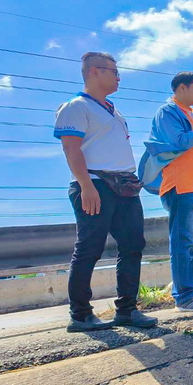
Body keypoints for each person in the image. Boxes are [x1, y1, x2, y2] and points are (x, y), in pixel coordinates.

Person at [54, 52, 157, 332]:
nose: (119, 77)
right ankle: (80, 314)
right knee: (89, 248)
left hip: (125, 186)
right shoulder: (76, 106)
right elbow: (71, 148)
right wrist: (86, 186)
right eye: (114, 71)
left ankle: (127, 310)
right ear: (95, 72)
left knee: (133, 245)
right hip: (94, 184)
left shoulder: (114, 110)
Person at [140, 72, 193, 312]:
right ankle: (184, 296)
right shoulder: (168, 112)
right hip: (181, 186)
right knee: (183, 240)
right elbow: (181, 142)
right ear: (182, 88)